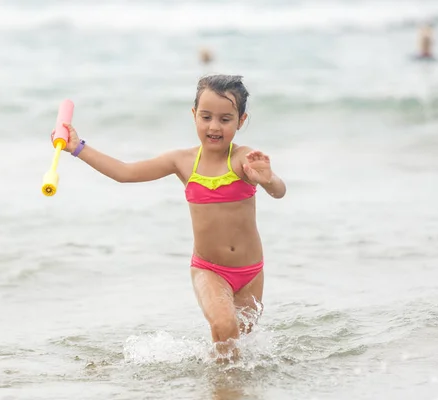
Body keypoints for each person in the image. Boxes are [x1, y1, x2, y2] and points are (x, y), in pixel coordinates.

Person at [51, 75, 287, 361]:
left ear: (241, 120)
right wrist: (78, 148)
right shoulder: (183, 161)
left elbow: (278, 191)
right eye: (206, 116)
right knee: (225, 326)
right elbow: (126, 173)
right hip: (209, 270)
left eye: (225, 119)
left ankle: (224, 389)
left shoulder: (244, 158)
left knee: (240, 352)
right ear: (194, 115)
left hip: (251, 272)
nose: (214, 126)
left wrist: (268, 178)